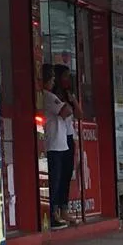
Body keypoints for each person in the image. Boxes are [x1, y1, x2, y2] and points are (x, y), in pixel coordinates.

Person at [41, 64, 75, 228]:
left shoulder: (52, 96)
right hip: (54, 144)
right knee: (54, 180)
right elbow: (66, 111)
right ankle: (52, 214)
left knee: (61, 179)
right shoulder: (47, 96)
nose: (54, 81)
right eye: (52, 78)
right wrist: (67, 103)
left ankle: (59, 211)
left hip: (60, 144)